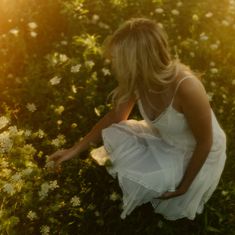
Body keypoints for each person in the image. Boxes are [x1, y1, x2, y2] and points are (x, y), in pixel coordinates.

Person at [48, 18, 227, 220]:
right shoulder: (139, 78)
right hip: (166, 138)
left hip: (197, 151)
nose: (113, 62)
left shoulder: (187, 87)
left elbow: (205, 142)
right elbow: (117, 117)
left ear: (137, 60)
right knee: (117, 133)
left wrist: (184, 187)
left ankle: (173, 179)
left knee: (158, 181)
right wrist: (74, 149)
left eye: (117, 58)